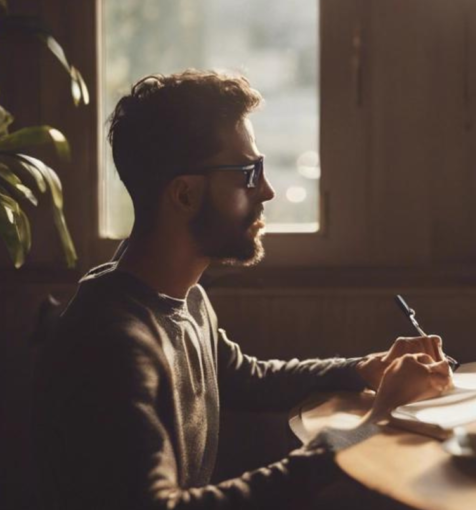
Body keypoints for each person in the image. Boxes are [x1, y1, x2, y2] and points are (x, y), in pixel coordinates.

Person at [32, 70, 453, 509]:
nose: (267, 191)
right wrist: (375, 420)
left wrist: (365, 368)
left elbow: (246, 378)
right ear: (184, 195)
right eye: (249, 173)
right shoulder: (111, 341)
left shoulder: (183, 295)